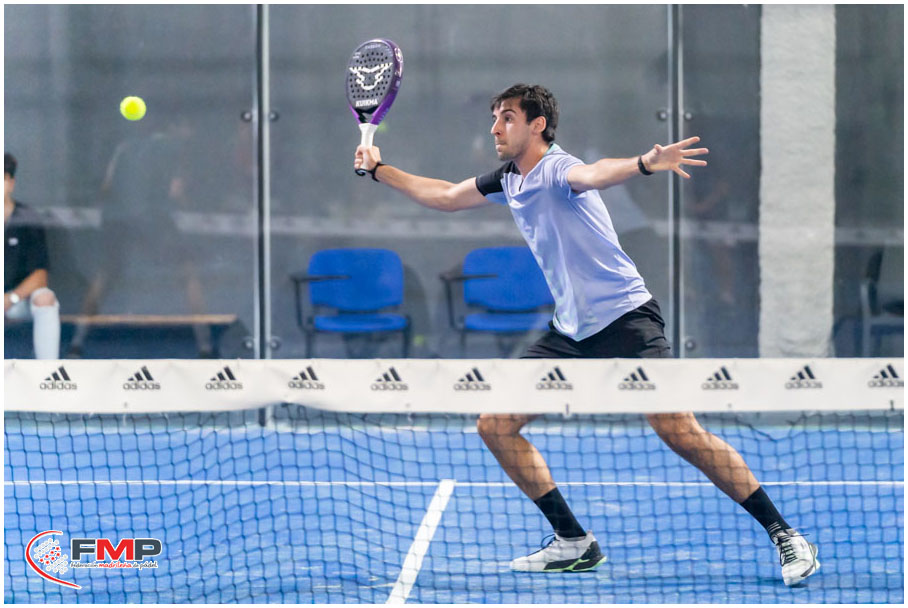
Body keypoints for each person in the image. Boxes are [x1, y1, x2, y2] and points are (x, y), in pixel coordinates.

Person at [353, 84, 819, 586]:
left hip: (626, 320)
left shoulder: (559, 169)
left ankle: (786, 534)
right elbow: (445, 196)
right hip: (570, 331)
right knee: (495, 424)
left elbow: (595, 174)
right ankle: (573, 541)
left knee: (680, 432)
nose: (495, 128)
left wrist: (644, 163)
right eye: (494, 118)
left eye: (507, 117)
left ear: (537, 125)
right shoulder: (509, 179)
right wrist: (379, 170)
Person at [4, 153, 61, 360]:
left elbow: (40, 276)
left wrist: (10, 298)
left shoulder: (27, 219)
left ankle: (48, 372)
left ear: (11, 183)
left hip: (18, 302)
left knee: (45, 298)